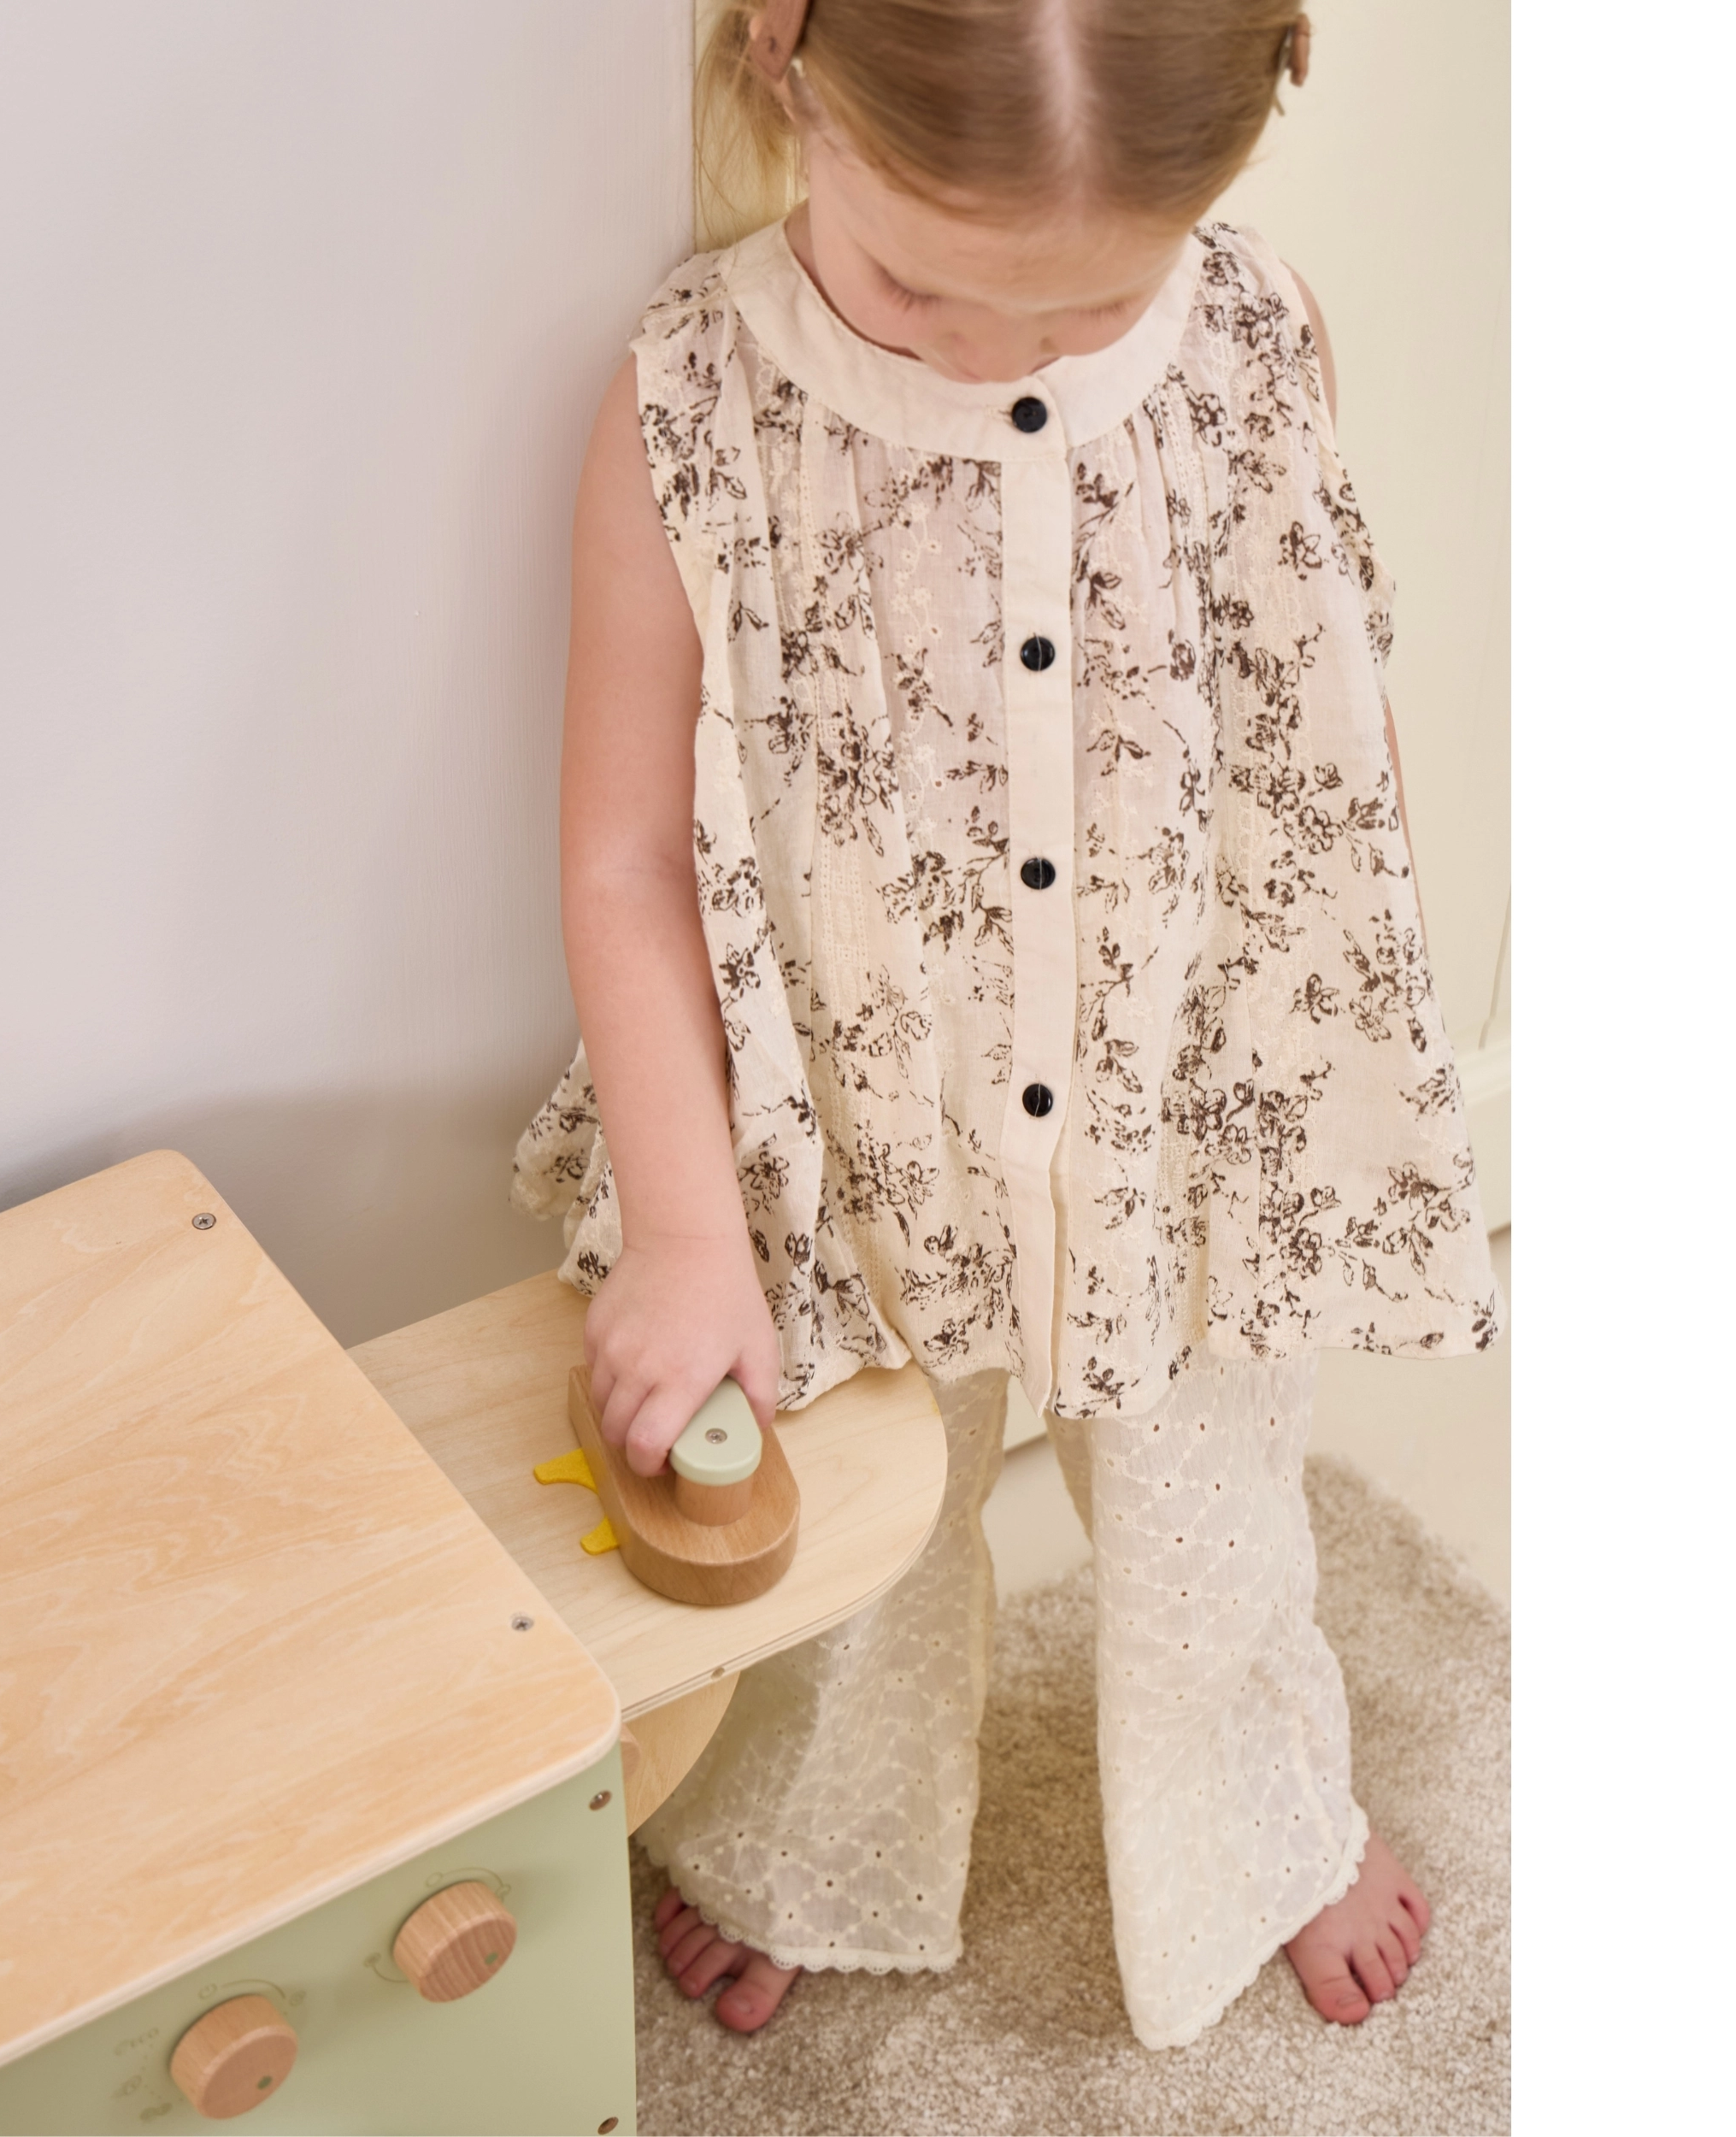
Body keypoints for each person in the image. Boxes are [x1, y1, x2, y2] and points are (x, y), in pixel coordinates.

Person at [513, 0, 1499, 2052]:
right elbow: (620, 856)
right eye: (919, 291)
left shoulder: (1251, 338)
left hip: (1183, 1100)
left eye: (1084, 307)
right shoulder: (689, 402)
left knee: (1214, 1510)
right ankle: (803, 1844)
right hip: (854, 1118)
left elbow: (1319, 695)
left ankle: (1266, 1820)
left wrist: (1350, 1040)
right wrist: (686, 1232)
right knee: (856, 1526)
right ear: (782, 62)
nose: (994, 360)